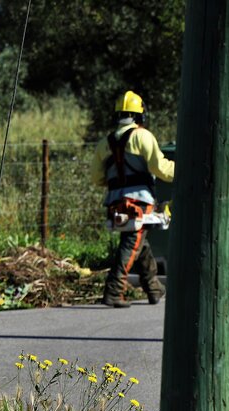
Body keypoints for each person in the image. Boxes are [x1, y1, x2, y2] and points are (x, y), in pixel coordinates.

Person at [92, 90, 175, 308]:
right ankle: (114, 289)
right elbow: (161, 168)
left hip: (115, 202)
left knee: (139, 242)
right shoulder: (143, 136)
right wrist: (184, 169)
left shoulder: (104, 143)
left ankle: (153, 287)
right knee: (132, 243)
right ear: (139, 115)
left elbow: (97, 177)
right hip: (139, 203)